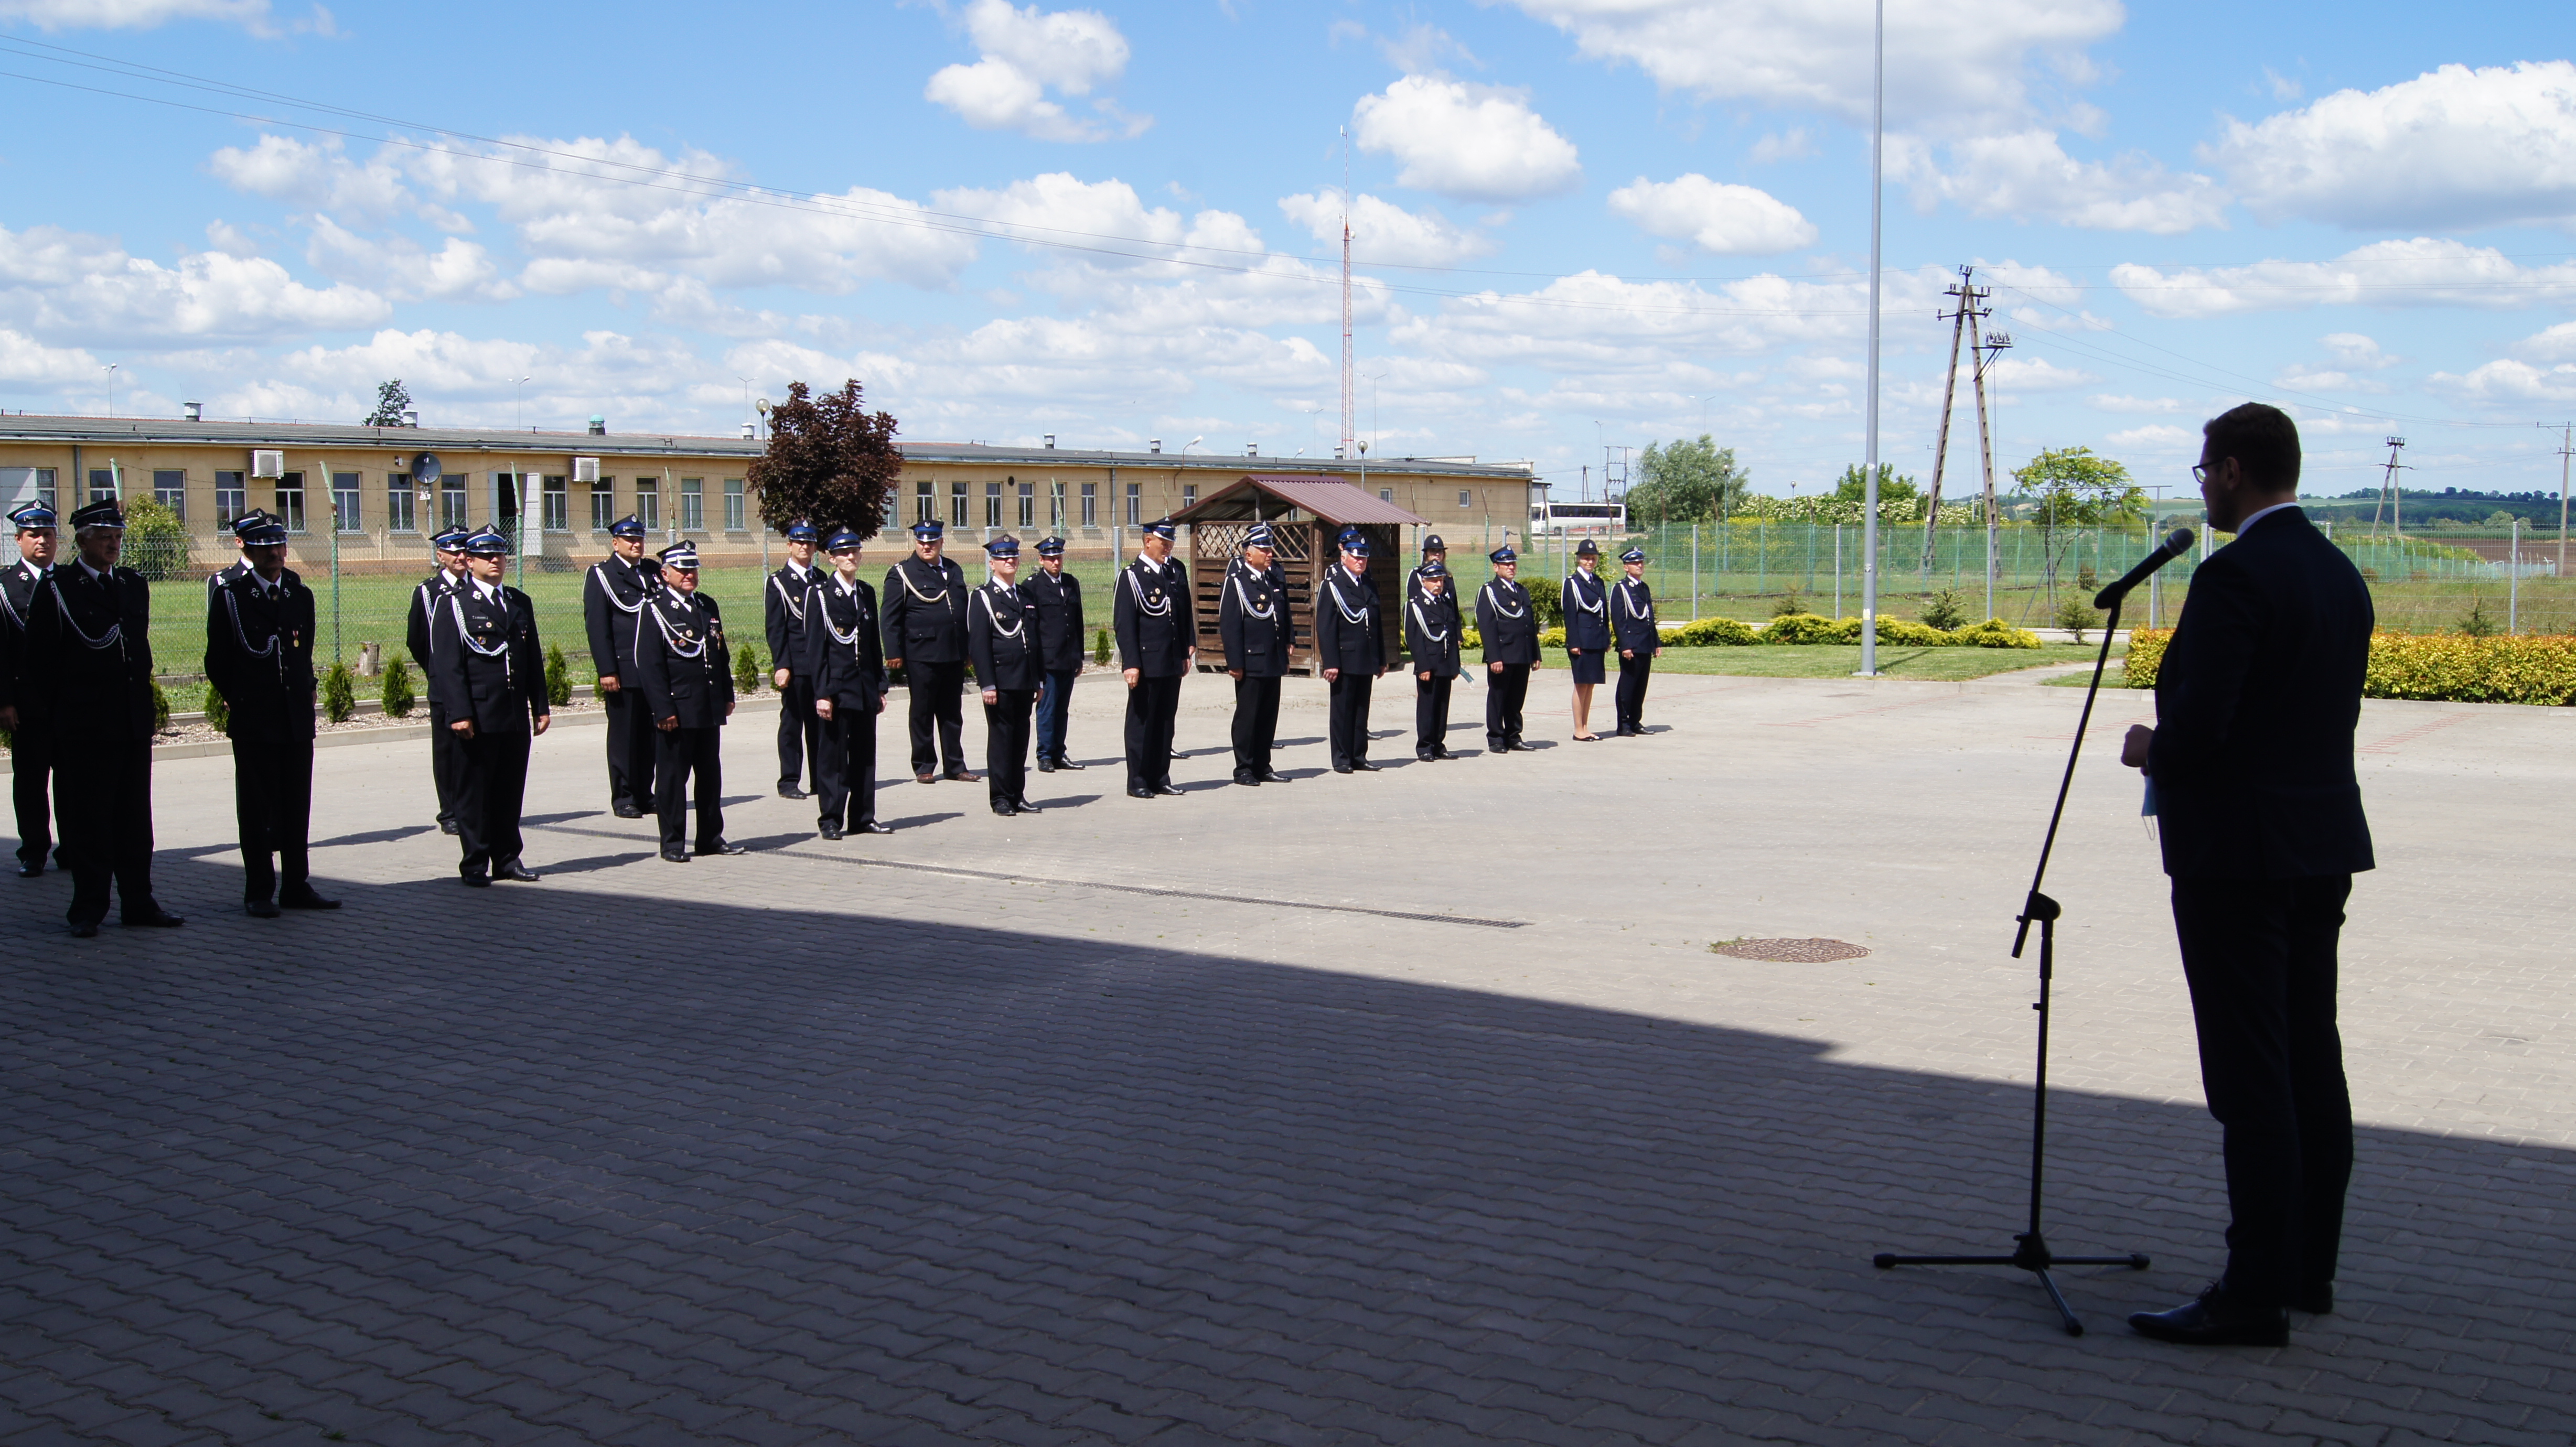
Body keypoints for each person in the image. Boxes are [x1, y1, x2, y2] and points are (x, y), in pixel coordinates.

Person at [2118, 403, 2374, 1348]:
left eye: (2203, 472)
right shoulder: (2338, 572)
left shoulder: (2233, 575)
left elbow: (2205, 726)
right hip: (2320, 845)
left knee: (2249, 1076)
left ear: (2231, 470)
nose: (2203, 489)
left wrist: (2152, 747)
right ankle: (2308, 1271)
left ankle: (2252, 1293)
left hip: (2237, 858)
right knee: (2310, 1059)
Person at [1, 500, 184, 936]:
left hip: (130, 722)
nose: (113, 544)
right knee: (90, 822)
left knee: (135, 822)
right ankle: (88, 907)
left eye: (117, 537)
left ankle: (139, 901)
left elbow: (136, 651)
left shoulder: (132, 584)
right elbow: (39, 660)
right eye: (104, 537)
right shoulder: (60, 588)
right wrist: (66, 711)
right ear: (82, 541)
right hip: (85, 725)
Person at [204, 511, 338, 917]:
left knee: (296, 805)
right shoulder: (231, 595)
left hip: (294, 716)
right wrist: (239, 697)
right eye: (265, 548)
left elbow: (303, 652)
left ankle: (296, 884)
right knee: (257, 807)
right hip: (255, 718)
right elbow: (217, 659)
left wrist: (306, 688)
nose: (275, 554)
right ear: (246, 549)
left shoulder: (299, 593)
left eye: (279, 546)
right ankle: (259, 888)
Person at [424, 525, 549, 887]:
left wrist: (540, 705)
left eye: (499, 555)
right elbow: (448, 666)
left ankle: (508, 859)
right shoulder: (455, 603)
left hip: (513, 713)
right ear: (470, 561)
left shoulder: (518, 602)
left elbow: (532, 657)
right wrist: (459, 713)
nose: (495, 561)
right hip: (478, 713)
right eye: (485, 556)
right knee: (474, 791)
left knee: (510, 790)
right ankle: (475, 861)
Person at [632, 541, 744, 863]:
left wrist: (726, 694)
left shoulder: (707, 605)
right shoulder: (654, 608)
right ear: (665, 574)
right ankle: (672, 843)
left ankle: (710, 837)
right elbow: (649, 664)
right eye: (682, 570)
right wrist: (663, 709)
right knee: (672, 779)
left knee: (709, 776)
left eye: (693, 569)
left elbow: (720, 654)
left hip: (707, 706)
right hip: (677, 709)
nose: (689, 575)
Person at [802, 530, 893, 840]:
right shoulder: (821, 595)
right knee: (834, 758)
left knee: (865, 756)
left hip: (864, 687)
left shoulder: (865, 592)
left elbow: (872, 644)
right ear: (832, 559)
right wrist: (823, 693)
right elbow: (816, 649)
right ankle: (831, 819)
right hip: (837, 689)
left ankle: (863, 817)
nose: (851, 557)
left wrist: (880, 685)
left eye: (855, 551)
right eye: (843, 553)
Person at [882, 519, 976, 785]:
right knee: (922, 712)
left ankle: (955, 766)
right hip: (921, 653)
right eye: (922, 542)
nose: (927, 546)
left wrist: (968, 649)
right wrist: (893, 651)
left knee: (952, 713)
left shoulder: (953, 569)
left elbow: (963, 611)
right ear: (916, 543)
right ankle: (924, 765)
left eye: (932, 542)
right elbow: (889, 617)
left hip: (953, 653)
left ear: (941, 542)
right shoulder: (902, 573)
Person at [581, 514, 662, 818]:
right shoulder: (602, 575)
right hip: (623, 670)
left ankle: (644, 792)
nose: (636, 544)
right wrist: (607, 670)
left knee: (650, 736)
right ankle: (624, 796)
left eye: (639, 538)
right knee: (624, 737)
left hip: (653, 670)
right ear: (615, 543)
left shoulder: (653, 571)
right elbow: (597, 627)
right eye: (629, 539)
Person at [1, 502, 63, 877]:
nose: (42, 541)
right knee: (31, 781)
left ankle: (72, 848)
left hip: (70, 701)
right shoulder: (6, 586)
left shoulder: (70, 580)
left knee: (73, 781)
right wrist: (5, 701)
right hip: (28, 703)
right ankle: (34, 851)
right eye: (34, 535)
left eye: (48, 534)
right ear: (19, 540)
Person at [1113, 519, 1194, 798]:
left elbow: (1180, 614)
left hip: (1171, 660)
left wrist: (1185, 650)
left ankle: (1161, 776)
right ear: (1148, 541)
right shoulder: (1132, 577)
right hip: (1147, 663)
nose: (1168, 547)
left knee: (1165, 722)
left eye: (1171, 542)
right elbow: (1124, 624)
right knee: (1142, 723)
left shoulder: (1172, 572)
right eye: (1164, 542)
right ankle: (1138, 780)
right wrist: (1131, 663)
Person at [968, 535, 1045, 817]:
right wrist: (987, 683)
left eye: (1013, 556)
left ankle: (1017, 794)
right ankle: (1000, 797)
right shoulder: (984, 597)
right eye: (1003, 557)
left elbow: (1035, 641)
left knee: (1021, 739)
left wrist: (1039, 680)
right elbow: (979, 645)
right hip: (1000, 681)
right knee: (1002, 740)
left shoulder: (1025, 595)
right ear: (992, 563)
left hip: (1025, 679)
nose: (1010, 561)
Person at [406, 526, 473, 834]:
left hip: (477, 682)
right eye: (453, 551)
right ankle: (450, 813)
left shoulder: (477, 587)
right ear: (440, 555)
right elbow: (417, 640)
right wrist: (439, 670)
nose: (460, 557)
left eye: (465, 550)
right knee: (447, 751)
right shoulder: (429, 592)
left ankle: (473, 807)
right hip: (444, 685)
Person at [1218, 522, 1292, 786]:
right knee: (1248, 717)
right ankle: (1244, 768)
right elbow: (1230, 624)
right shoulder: (1238, 582)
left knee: (1268, 716)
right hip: (1251, 660)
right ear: (1249, 554)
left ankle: (1263, 765)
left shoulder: (1272, 580)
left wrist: (1286, 648)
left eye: (1270, 549)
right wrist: (1235, 662)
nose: (1270, 554)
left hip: (1272, 658)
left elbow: (1282, 616)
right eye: (1264, 550)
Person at [1314, 528, 1384, 773]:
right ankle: (1342, 758)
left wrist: (1381, 658)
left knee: (1361, 711)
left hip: (1366, 657)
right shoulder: (1333, 585)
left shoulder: (1369, 584)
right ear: (1344, 557)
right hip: (1345, 658)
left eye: (1364, 557)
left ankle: (1358, 755)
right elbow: (1325, 626)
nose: (1360, 561)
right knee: (1343, 711)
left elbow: (1376, 624)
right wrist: (1331, 662)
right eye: (1356, 557)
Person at [766, 520, 824, 799]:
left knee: (821, 724)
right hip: (796, 664)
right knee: (792, 724)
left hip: (820, 665)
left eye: (809, 542)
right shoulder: (778, 582)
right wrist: (782, 665)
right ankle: (789, 781)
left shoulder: (822, 579)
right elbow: (776, 628)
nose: (805, 547)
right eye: (799, 542)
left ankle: (820, 780)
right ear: (789, 545)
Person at [1027, 535, 1087, 772]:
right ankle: (1045, 755)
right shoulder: (1032, 586)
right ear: (1041, 560)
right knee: (1047, 708)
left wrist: (1079, 655)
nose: (1055, 562)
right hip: (1047, 659)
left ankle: (1059, 753)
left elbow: (1077, 621)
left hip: (1068, 657)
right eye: (1050, 558)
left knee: (1062, 709)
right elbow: (1031, 627)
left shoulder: (1071, 583)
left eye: (1059, 558)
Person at [1476, 546, 1538, 753]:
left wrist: (1535, 653)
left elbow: (1529, 624)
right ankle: (1496, 738)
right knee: (1498, 698)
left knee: (1516, 699)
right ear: (1496, 567)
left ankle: (1513, 736)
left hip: (1522, 653)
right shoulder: (1490, 591)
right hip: (1503, 654)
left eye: (1513, 564)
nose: (1511, 567)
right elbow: (1487, 626)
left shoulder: (1521, 590)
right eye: (1506, 564)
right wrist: (1494, 657)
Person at [1405, 559, 1463, 761]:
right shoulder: (1416, 605)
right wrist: (1423, 666)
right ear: (1424, 581)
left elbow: (1452, 635)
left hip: (1445, 662)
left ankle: (1439, 744)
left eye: (1441, 580)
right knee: (1427, 707)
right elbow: (1414, 638)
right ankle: (1425, 746)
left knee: (1442, 705)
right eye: (1434, 580)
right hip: (1429, 664)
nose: (1439, 584)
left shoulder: (1445, 602)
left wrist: (1455, 665)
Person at [1611, 546, 1662, 737]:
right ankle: (1624, 724)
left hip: (1645, 643)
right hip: (1631, 645)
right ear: (1626, 567)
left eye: (1641, 562)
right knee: (1628, 685)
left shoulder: (1644, 587)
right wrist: (1625, 645)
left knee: (1641, 685)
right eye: (1634, 563)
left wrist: (1656, 642)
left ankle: (1635, 721)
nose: (1639, 565)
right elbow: (1619, 620)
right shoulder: (1621, 589)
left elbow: (1649, 618)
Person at [1562, 537, 1610, 740]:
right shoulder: (1572, 583)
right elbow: (1570, 615)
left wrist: (1606, 638)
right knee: (1581, 684)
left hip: (1596, 639)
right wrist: (1573, 642)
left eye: (1593, 558)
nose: (1590, 562)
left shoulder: (1598, 582)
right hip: (1582, 641)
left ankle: (1585, 726)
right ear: (1578, 560)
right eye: (1586, 558)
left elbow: (1604, 612)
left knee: (1591, 685)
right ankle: (1578, 729)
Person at [1407, 533, 1451, 608]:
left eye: (1440, 551)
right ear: (1426, 554)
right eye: (1433, 551)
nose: (1437, 554)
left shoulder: (1447, 575)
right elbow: (1415, 604)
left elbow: (1453, 604)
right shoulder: (1417, 574)